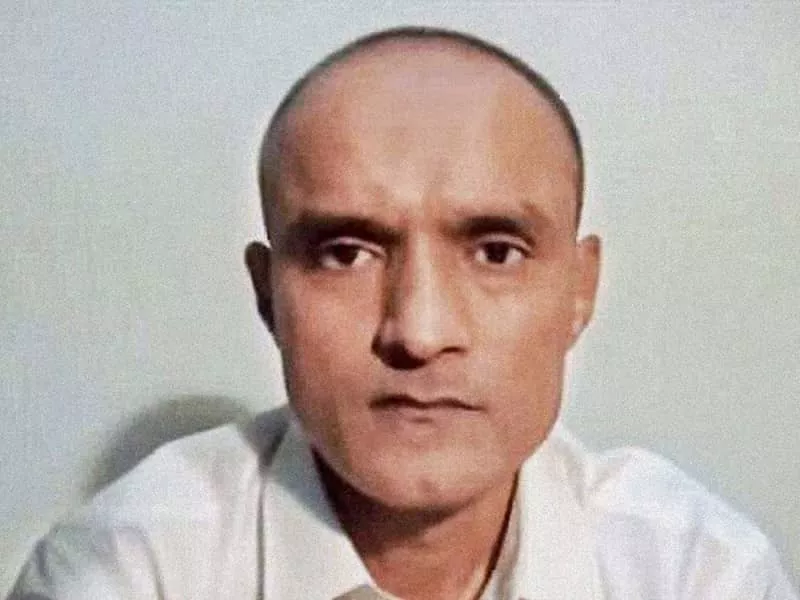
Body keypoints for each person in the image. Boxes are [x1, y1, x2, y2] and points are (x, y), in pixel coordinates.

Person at [9, 26, 797, 600]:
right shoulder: (128, 571)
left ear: (579, 290)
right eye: (344, 253)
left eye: (496, 252)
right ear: (268, 294)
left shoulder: (697, 574)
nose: (420, 332)